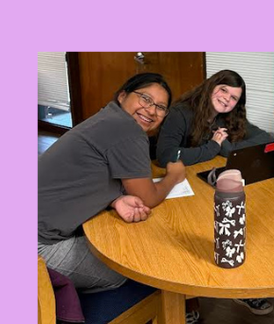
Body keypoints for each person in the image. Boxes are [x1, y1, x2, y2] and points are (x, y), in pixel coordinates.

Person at [155, 69, 274, 324]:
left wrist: (224, 148)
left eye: (234, 98)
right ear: (211, 87)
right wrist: (212, 147)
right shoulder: (181, 113)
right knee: (193, 240)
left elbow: (266, 138)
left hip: (208, 181)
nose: (227, 100)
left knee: (239, 229)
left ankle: (240, 288)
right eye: (223, 91)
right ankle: (189, 305)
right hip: (180, 186)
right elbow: (166, 156)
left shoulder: (228, 118)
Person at [38, 74, 185, 292]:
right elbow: (148, 198)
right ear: (122, 96)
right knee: (132, 266)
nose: (152, 110)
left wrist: (115, 199)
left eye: (161, 107)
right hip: (39, 248)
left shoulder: (107, 118)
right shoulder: (128, 130)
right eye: (145, 98)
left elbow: (87, 174)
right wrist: (173, 176)